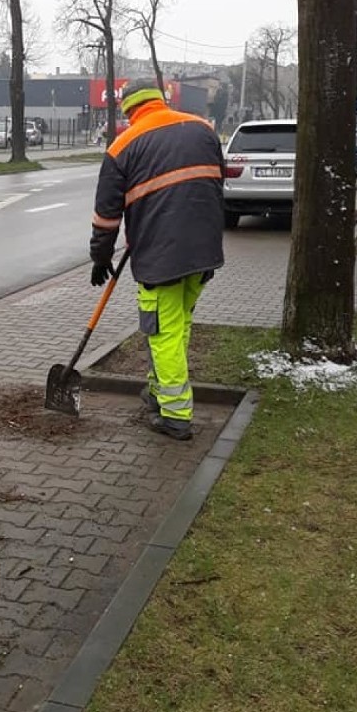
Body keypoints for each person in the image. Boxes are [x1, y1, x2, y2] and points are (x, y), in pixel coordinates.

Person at [89, 78, 226, 441]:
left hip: (160, 259)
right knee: (175, 327)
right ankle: (157, 391)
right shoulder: (202, 130)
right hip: (204, 253)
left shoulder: (123, 146)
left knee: (162, 333)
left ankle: (176, 415)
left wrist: (100, 258)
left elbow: (106, 216)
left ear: (127, 109)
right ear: (160, 100)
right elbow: (208, 185)